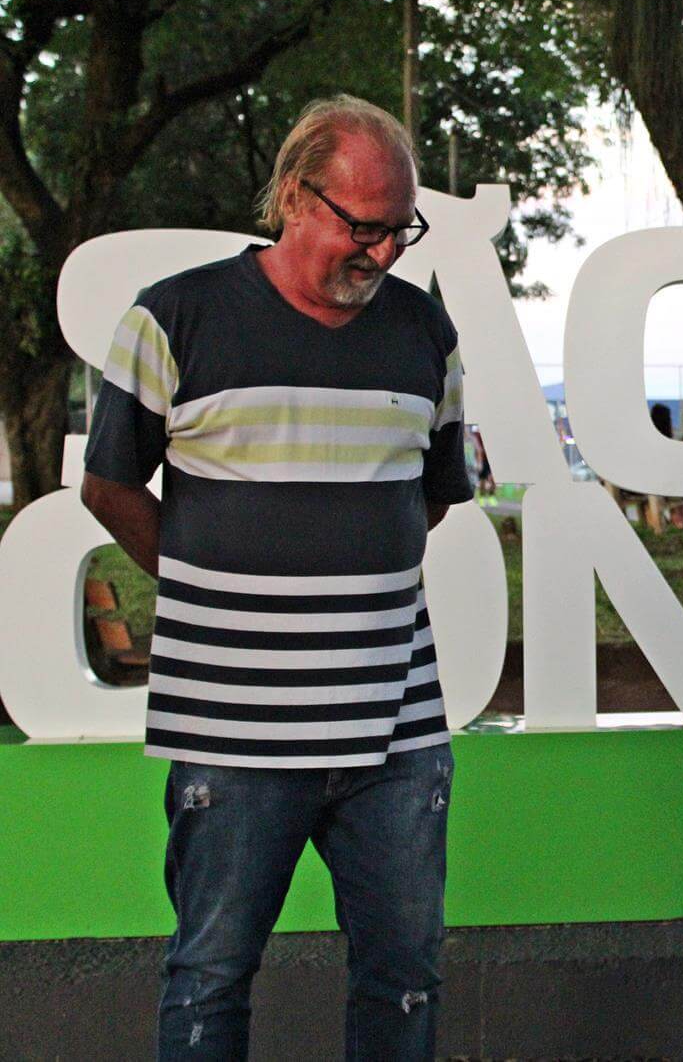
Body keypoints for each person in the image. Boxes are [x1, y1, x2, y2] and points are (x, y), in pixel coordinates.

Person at [80, 95, 472, 1060]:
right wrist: (213, 585)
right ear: (296, 197)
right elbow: (109, 485)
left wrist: (343, 572)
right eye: (363, 226)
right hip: (231, 723)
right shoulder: (175, 316)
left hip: (396, 726)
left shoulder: (425, 332)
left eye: (398, 231)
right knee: (210, 975)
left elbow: (432, 496)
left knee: (406, 978)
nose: (381, 254)